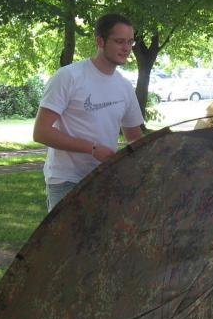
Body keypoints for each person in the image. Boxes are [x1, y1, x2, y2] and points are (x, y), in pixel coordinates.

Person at [33, 13, 145, 211]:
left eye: (130, 42)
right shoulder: (69, 76)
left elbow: (135, 138)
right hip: (66, 181)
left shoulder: (125, 87)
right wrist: (92, 148)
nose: (126, 48)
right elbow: (41, 132)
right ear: (100, 41)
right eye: (119, 41)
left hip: (105, 179)